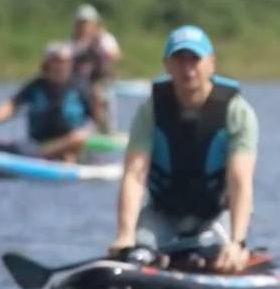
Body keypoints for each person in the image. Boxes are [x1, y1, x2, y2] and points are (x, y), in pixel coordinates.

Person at [110, 26, 259, 272]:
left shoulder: (237, 111)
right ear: (167, 66)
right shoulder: (150, 110)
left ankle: (218, 253)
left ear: (211, 63)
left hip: (216, 214)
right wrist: (125, 236)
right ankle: (150, 255)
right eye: (179, 60)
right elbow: (134, 175)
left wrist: (237, 241)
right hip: (163, 213)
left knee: (219, 257)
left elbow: (240, 181)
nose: (188, 69)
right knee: (138, 255)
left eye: (195, 60)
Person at [0, 42, 92, 160]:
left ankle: (48, 155)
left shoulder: (80, 87)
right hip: (38, 141)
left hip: (69, 142)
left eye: (65, 62)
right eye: (56, 62)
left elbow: (95, 119)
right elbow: (12, 104)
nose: (61, 66)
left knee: (79, 138)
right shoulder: (36, 86)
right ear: (47, 64)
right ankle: (40, 154)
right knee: (1, 145)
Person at [70, 3, 122, 131]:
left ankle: (104, 128)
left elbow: (115, 55)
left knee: (97, 94)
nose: (83, 27)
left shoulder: (104, 38)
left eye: (86, 23)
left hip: (100, 81)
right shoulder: (74, 41)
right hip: (79, 81)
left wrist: (98, 45)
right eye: (81, 23)